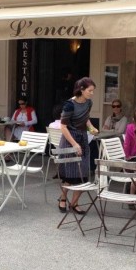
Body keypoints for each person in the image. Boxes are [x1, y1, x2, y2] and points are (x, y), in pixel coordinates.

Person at [57, 77, 98, 214]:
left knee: (82, 175)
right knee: (69, 175)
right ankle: (63, 198)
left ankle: (74, 204)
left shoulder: (89, 103)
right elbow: (63, 127)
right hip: (70, 139)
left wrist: (91, 127)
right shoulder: (69, 104)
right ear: (81, 89)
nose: (92, 93)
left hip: (83, 138)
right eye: (90, 90)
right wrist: (74, 144)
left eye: (93, 91)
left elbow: (86, 118)